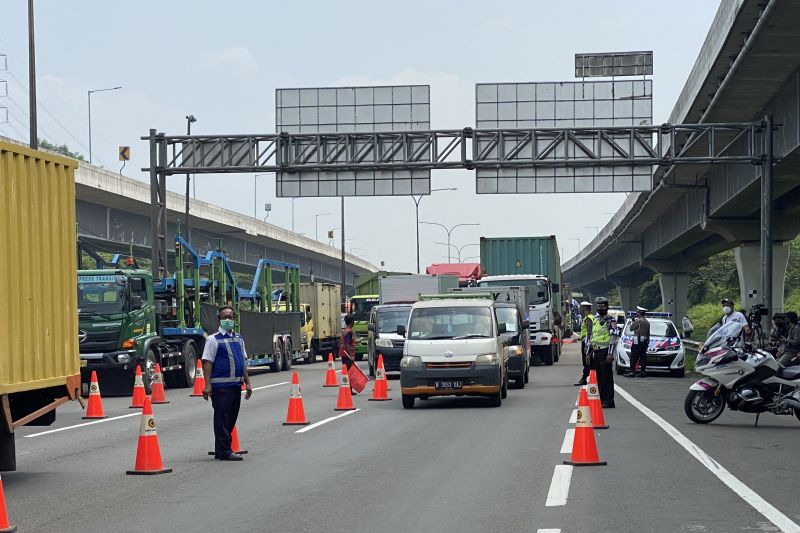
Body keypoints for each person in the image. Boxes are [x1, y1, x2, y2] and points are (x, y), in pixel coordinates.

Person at [201, 305, 253, 461]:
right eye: (225, 317)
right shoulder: (213, 339)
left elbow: (242, 362)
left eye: (231, 317)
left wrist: (247, 382)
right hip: (220, 387)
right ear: (219, 320)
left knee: (231, 418)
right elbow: (207, 363)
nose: (228, 320)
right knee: (222, 418)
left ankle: (221, 449)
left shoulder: (238, 338)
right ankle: (224, 451)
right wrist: (207, 385)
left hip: (236, 386)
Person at [591, 296, 615, 408]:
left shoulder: (610, 320)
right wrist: (589, 352)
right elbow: (593, 336)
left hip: (605, 351)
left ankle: (609, 400)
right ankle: (601, 399)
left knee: (607, 377)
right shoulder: (596, 320)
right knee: (599, 377)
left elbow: (613, 336)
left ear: (606, 307)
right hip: (596, 351)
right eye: (598, 306)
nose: (600, 308)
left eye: (602, 306)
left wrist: (610, 353)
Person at [626, 306, 650, 378]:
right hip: (644, 340)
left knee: (633, 356)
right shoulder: (647, 322)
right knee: (643, 357)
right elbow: (648, 333)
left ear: (639, 313)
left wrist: (633, 322)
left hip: (637, 340)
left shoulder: (638, 321)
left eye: (638, 312)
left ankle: (632, 372)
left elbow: (631, 328)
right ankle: (642, 372)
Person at [574, 301, 593, 386]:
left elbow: (589, 332)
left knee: (586, 361)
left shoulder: (588, 318)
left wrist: (587, 345)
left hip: (586, 342)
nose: (582, 310)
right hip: (585, 340)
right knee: (587, 361)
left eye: (583, 309)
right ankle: (587, 377)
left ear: (586, 309)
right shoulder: (589, 317)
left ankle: (585, 378)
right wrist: (580, 337)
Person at [339, 314, 357, 393]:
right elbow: (347, 344)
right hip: (347, 354)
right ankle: (348, 390)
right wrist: (351, 356)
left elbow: (349, 342)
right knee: (349, 372)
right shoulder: (348, 332)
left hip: (345, 353)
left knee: (348, 372)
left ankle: (349, 389)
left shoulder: (346, 330)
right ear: (352, 322)